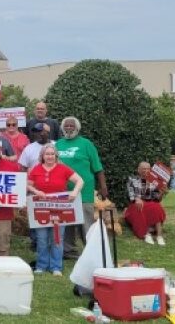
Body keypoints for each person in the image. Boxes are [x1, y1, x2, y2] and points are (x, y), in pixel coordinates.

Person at [26, 143, 83, 275]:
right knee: (41, 238)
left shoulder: (63, 168)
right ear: (42, 156)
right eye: (47, 154)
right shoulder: (36, 169)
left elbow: (80, 181)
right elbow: (28, 185)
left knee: (57, 237)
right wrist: (36, 191)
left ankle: (56, 266)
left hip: (59, 209)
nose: (50, 156)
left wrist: (74, 192)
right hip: (41, 208)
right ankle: (41, 265)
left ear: (56, 155)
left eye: (52, 154)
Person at [56, 116, 108, 259]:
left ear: (77, 128)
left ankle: (91, 251)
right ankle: (69, 251)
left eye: (72, 126)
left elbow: (98, 168)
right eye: (66, 126)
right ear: (62, 128)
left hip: (84, 191)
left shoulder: (86, 144)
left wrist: (103, 186)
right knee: (67, 222)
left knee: (86, 223)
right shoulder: (58, 144)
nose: (69, 128)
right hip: (63, 192)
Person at [124, 162, 167, 245]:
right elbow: (131, 195)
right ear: (138, 170)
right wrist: (137, 199)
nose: (146, 170)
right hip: (135, 204)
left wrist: (161, 192)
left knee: (157, 206)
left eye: (148, 169)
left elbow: (157, 199)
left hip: (149, 203)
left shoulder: (153, 181)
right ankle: (146, 234)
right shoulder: (132, 180)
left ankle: (159, 235)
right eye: (143, 168)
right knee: (139, 207)